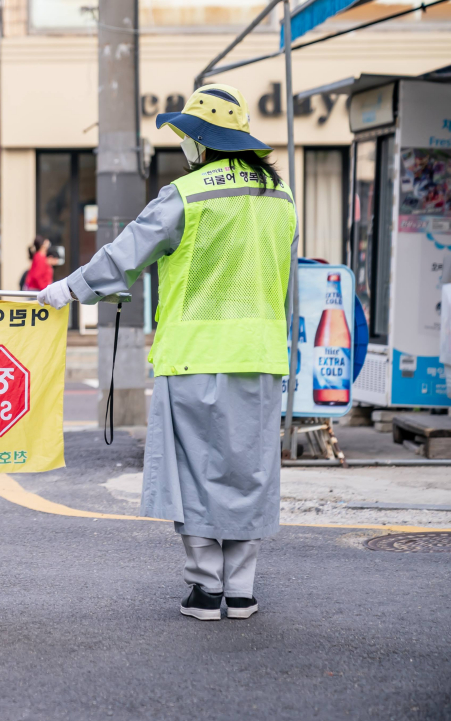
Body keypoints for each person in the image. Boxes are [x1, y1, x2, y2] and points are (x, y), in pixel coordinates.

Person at [37, 84, 298, 621]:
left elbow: (126, 254)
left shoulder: (187, 194)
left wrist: (69, 289)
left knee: (195, 472)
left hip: (195, 355)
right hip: (262, 355)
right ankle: (242, 590)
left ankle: (205, 591)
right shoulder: (281, 198)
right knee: (249, 471)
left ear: (200, 141)